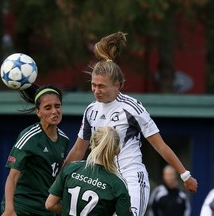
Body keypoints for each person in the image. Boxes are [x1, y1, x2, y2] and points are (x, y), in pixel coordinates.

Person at [63, 31, 198, 216]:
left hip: (130, 177)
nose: (96, 90)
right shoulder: (90, 110)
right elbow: (79, 150)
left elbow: (160, 146)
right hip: (101, 180)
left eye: (101, 86)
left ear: (117, 85)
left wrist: (185, 174)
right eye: (93, 85)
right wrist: (61, 174)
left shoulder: (132, 108)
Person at [1, 84, 70, 216]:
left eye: (57, 106)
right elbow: (12, 177)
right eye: (47, 108)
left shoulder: (64, 139)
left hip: (46, 209)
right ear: (38, 112)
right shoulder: (29, 137)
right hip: (22, 207)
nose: (54, 111)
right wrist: (9, 209)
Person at [45, 126, 133, 216]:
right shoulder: (118, 184)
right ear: (117, 151)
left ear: (91, 145)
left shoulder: (71, 168)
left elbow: (50, 204)